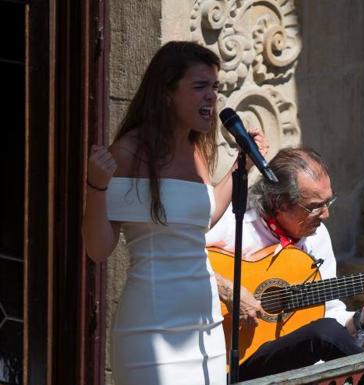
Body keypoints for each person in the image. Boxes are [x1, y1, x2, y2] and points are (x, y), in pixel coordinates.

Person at [82, 41, 267, 385]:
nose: (212, 97)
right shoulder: (127, 153)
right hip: (152, 327)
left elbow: (198, 221)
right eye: (200, 87)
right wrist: (95, 186)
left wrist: (240, 168)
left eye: (215, 87)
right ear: (167, 93)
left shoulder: (196, 147)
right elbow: (98, 248)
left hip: (205, 325)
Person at [206, 147, 364, 380]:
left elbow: (331, 319)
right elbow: (180, 258)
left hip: (285, 364)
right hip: (227, 364)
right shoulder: (234, 222)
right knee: (324, 333)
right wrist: (229, 290)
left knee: (327, 331)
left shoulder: (317, 236)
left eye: (329, 202)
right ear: (279, 202)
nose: (325, 214)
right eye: (315, 206)